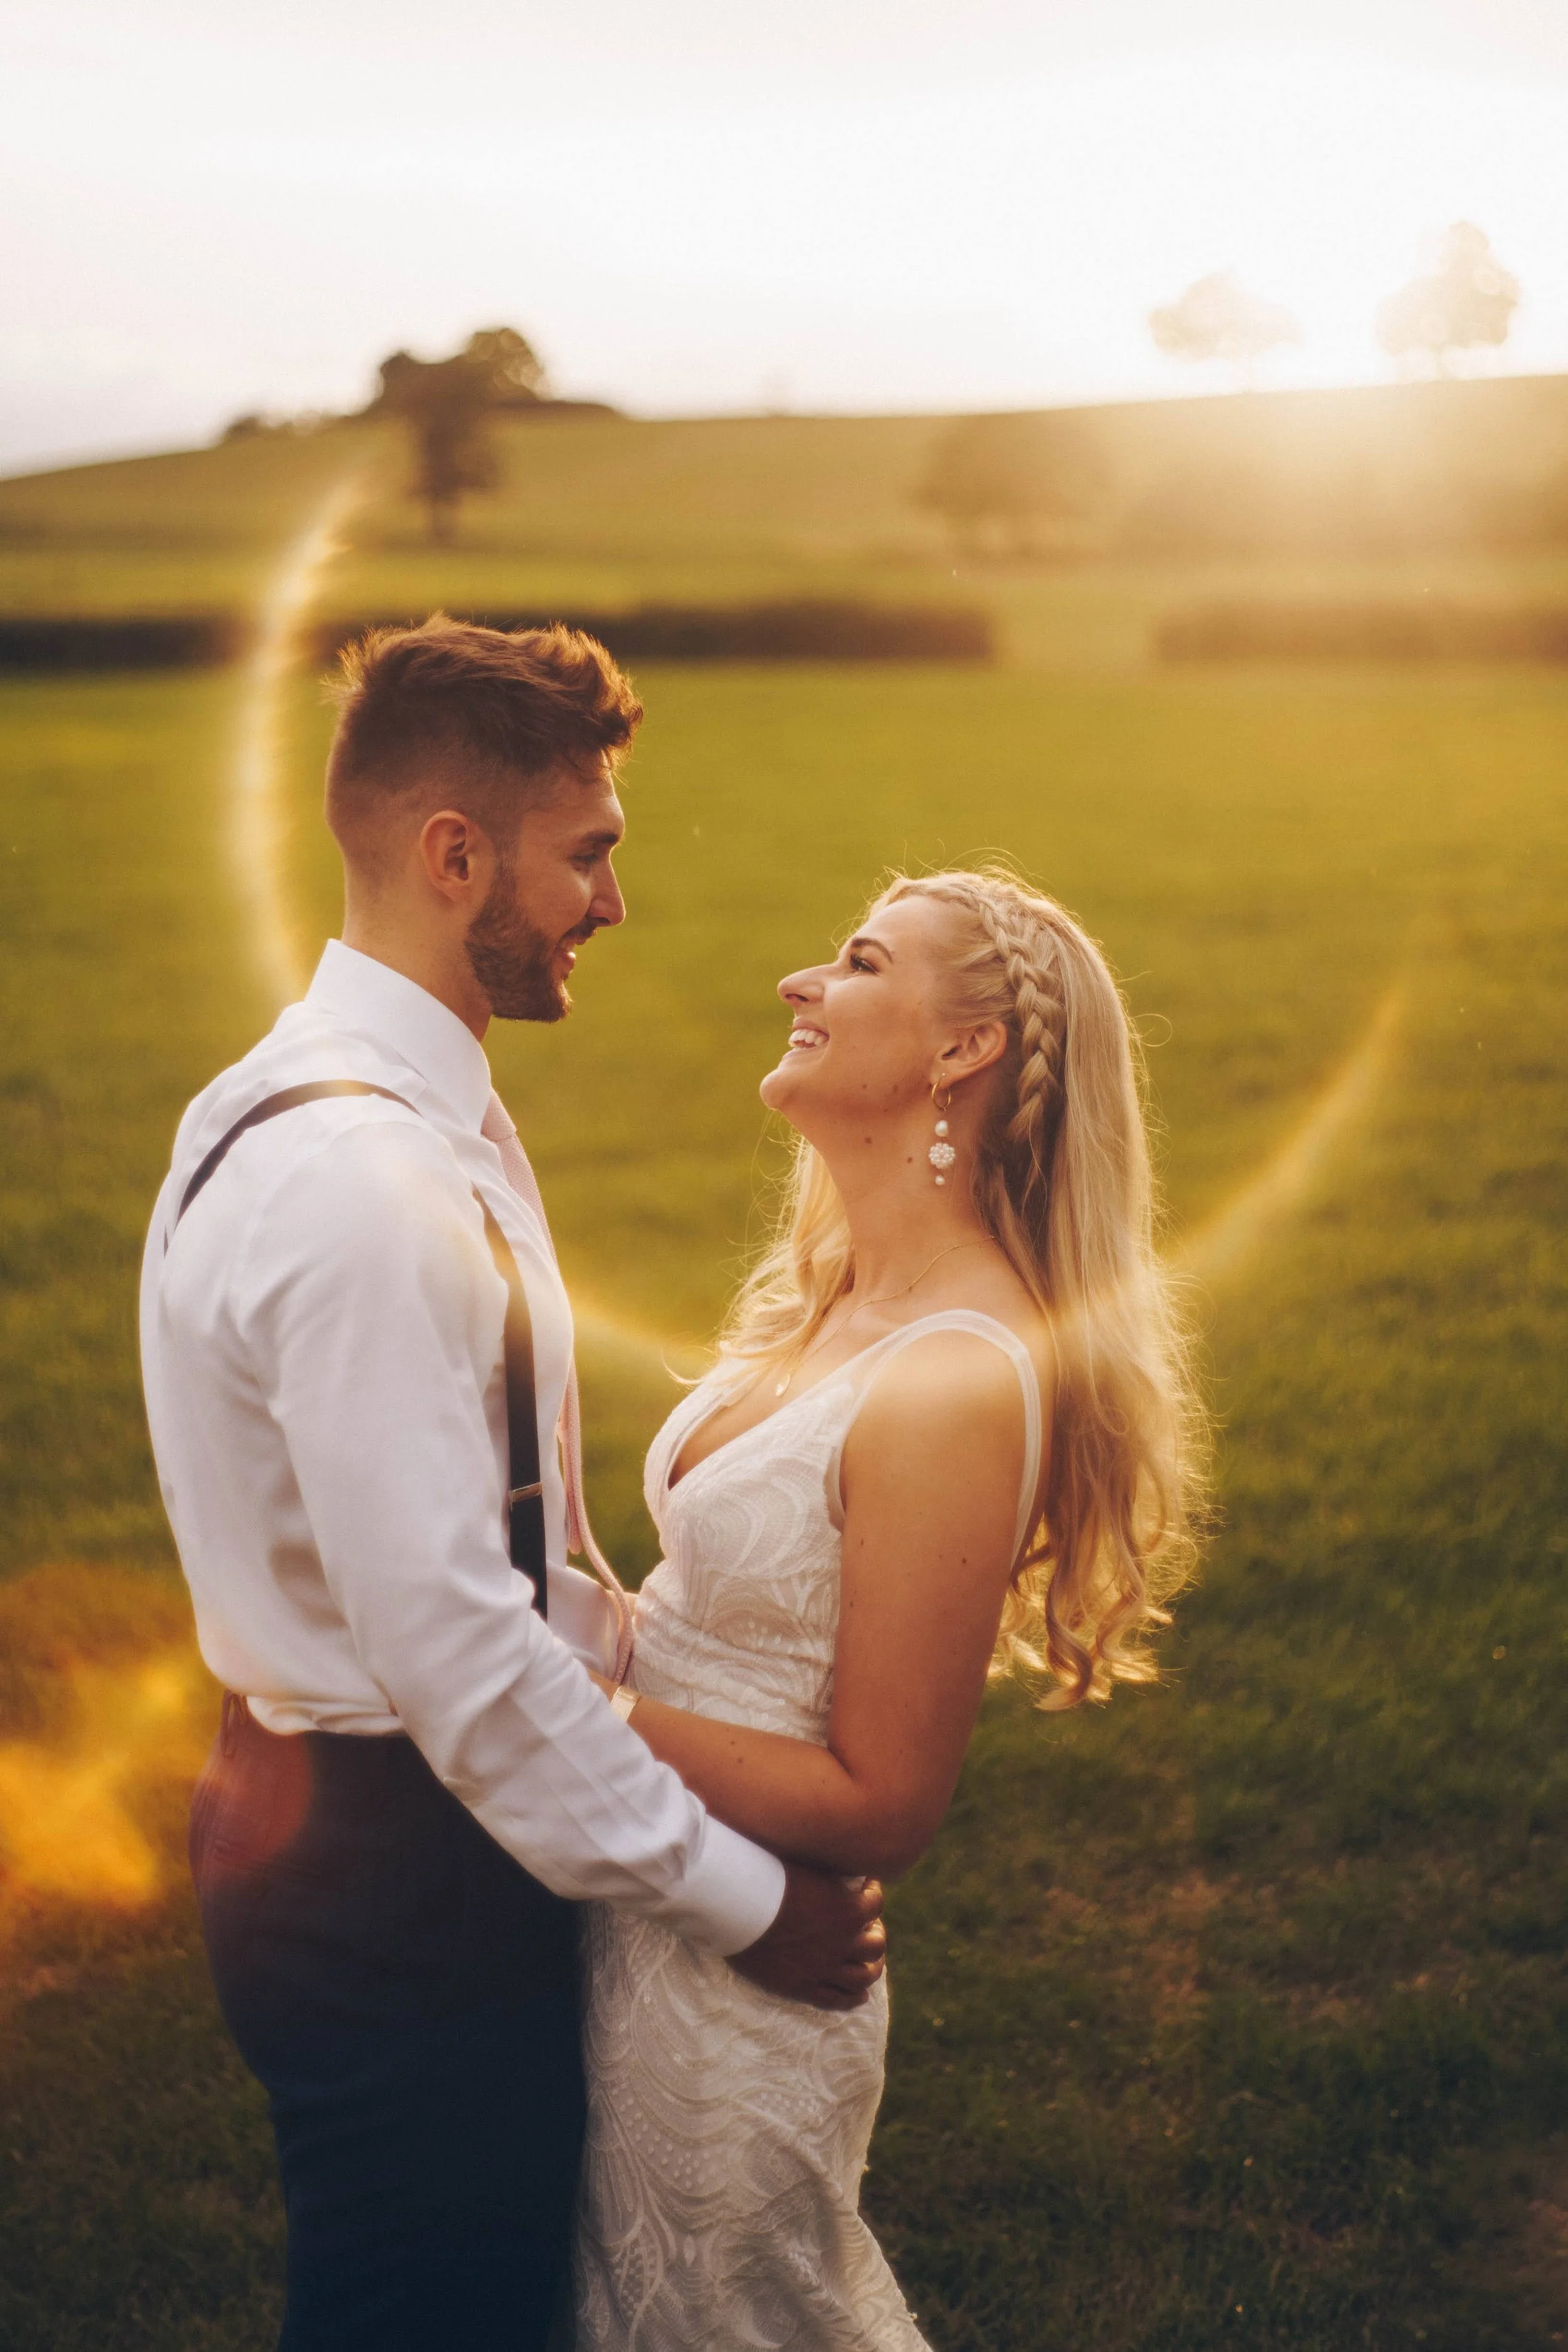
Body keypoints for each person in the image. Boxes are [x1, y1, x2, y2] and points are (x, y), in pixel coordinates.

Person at [139, 617, 884, 2352]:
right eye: (587, 852)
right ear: (452, 855)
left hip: (367, 1814)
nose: (612, 900)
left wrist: (665, 1662)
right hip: (391, 1860)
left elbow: (492, 1544)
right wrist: (745, 1901)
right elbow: (457, 1652)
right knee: (424, 2306)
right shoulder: (364, 1180)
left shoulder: (338, 1101)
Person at [573, 866, 1204, 2348]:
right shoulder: (837, 1300)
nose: (799, 983)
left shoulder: (953, 1374)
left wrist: (566, 1708)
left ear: (962, 1050)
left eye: (858, 963)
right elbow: (700, 1624)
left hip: (734, 2005)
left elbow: (880, 1802)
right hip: (644, 1912)